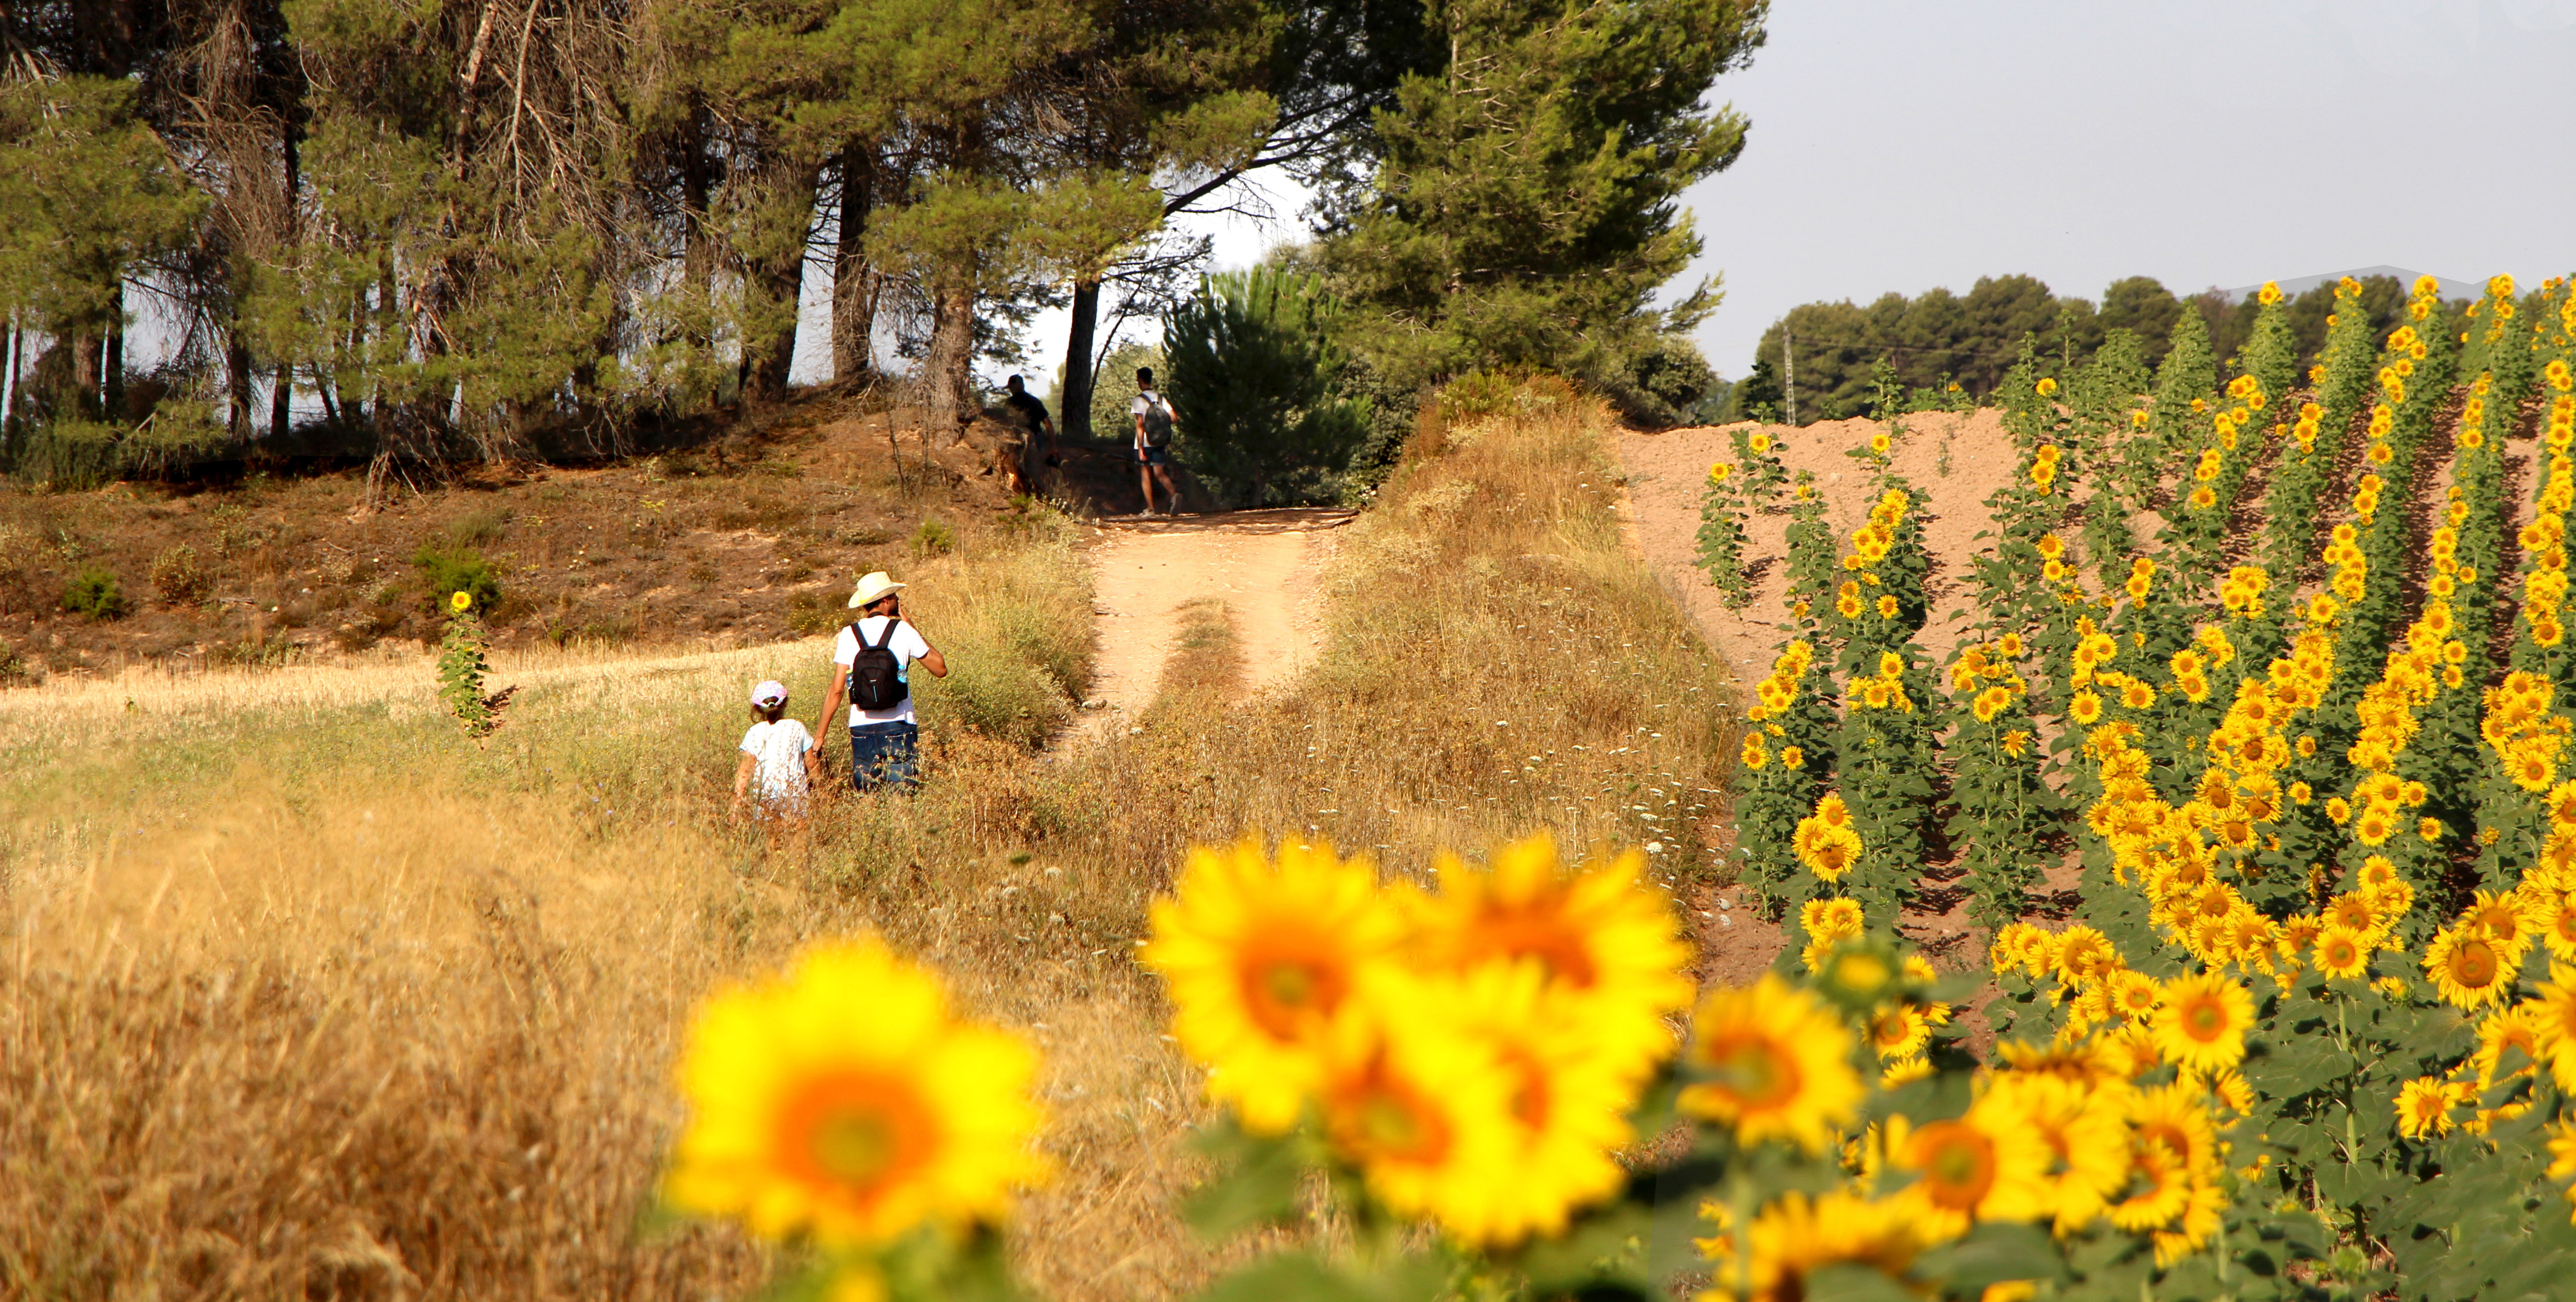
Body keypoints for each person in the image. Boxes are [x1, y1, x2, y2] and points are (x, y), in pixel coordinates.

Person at [818, 571, 947, 792]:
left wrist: (820, 736)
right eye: (895, 596)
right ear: (886, 600)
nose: (898, 600)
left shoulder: (849, 634)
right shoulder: (903, 630)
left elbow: (837, 690)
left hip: (861, 726)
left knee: (867, 796)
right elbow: (940, 669)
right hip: (900, 723)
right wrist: (911, 626)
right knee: (903, 795)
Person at [733, 680, 819, 824]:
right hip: (796, 795)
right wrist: (823, 791)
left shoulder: (753, 733)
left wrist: (736, 805)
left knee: (771, 834)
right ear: (785, 703)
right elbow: (812, 764)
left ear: (758, 708)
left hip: (765, 797)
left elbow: (745, 771)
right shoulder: (798, 727)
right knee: (800, 834)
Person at [1131, 366, 1182, 516]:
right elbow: (1174, 418)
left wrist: (1141, 447)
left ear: (1141, 380)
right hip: (1160, 441)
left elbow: (1140, 424)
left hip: (1146, 442)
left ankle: (1150, 509)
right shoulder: (1161, 398)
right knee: (1160, 473)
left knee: (1146, 474)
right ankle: (1174, 495)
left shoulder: (1138, 400)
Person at [996, 374, 1059, 495]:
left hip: (1017, 438)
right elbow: (1048, 425)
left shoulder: (1010, 403)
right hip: (1036, 438)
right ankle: (1040, 491)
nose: (1011, 390)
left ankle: (1023, 491)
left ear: (1015, 387)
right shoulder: (1035, 401)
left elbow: (1004, 423)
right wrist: (1053, 447)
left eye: (1011, 387)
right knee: (1036, 466)